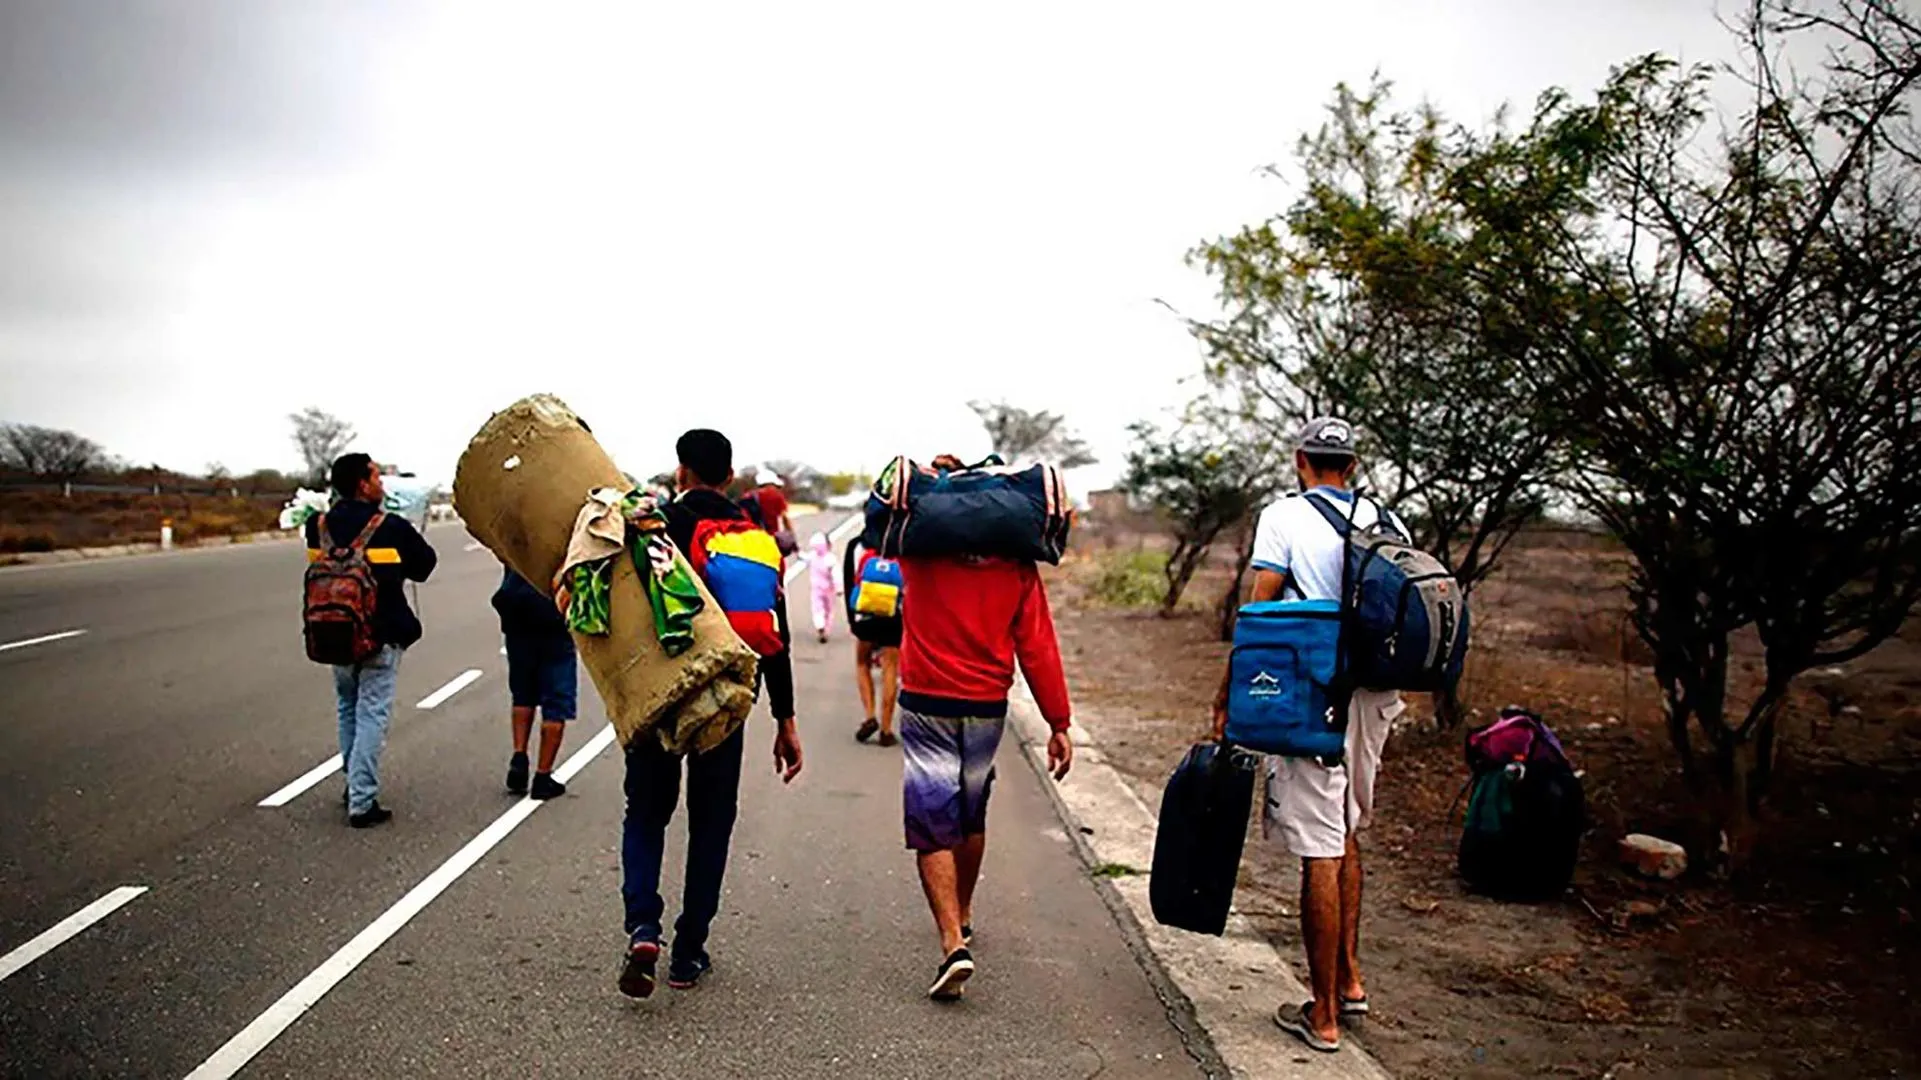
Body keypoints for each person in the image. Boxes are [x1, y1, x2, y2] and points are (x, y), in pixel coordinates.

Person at [1210, 417, 1409, 1054]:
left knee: (1320, 848)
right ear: (1351, 465)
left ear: (1302, 460)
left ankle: (1322, 1015)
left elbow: (1261, 611)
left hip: (1314, 694)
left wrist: (1229, 691)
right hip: (1376, 696)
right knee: (1345, 831)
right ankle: (1350, 980)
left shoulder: (1284, 516)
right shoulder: (1388, 520)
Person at [618, 429, 805, 999]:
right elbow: (775, 635)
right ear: (728, 477)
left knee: (646, 813)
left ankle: (643, 928)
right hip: (727, 699)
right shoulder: (756, 539)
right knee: (711, 821)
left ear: (682, 472)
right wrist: (785, 719)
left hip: (660, 694)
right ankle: (689, 950)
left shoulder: (653, 529)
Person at [898, 454, 1073, 1001]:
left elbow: (896, 509)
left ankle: (953, 942)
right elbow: (1037, 646)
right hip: (986, 705)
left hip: (926, 701)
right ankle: (966, 912)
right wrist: (1059, 721)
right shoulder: (1016, 565)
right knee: (970, 813)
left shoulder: (918, 552)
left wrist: (938, 478)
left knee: (932, 821)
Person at [304, 452, 438, 829]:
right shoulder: (390, 526)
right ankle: (362, 800)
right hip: (381, 634)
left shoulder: (317, 525)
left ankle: (353, 784)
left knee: (347, 707)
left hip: (333, 630)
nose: (381, 484)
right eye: (377, 477)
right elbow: (425, 566)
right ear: (362, 484)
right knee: (371, 713)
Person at [492, 566, 576, 801]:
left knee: (523, 693)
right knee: (557, 700)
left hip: (517, 609)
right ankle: (542, 775)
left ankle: (519, 757)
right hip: (553, 613)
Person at [845, 536, 902, 748]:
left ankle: (870, 716)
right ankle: (886, 729)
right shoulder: (900, 559)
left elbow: (856, 585)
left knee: (862, 663)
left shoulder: (866, 556)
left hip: (867, 618)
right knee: (890, 669)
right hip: (892, 618)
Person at [802, 531, 842, 644]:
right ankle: (826, 629)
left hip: (816, 588)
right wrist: (839, 587)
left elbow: (803, 558)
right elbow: (836, 574)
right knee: (829, 610)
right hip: (829, 589)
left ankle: (820, 625)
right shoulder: (830, 559)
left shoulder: (812, 556)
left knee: (817, 608)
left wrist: (796, 551)